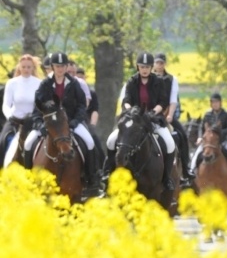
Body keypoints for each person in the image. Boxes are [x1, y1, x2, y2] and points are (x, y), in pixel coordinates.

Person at [24, 51, 103, 196]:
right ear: (52, 67)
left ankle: (92, 181)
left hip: (71, 122)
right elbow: (37, 106)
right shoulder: (45, 84)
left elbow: (81, 105)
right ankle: (28, 181)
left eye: (62, 66)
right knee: (29, 143)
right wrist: (39, 124)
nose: (60, 69)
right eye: (57, 66)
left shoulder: (74, 83)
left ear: (66, 67)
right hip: (49, 123)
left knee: (90, 142)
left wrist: (74, 122)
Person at [105, 52, 176, 192]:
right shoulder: (132, 81)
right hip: (134, 120)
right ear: (138, 67)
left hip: (153, 119)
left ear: (151, 68)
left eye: (148, 67)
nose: (145, 69)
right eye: (142, 66)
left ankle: (166, 178)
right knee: (111, 141)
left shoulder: (159, 81)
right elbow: (126, 100)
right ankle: (107, 174)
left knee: (169, 143)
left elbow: (163, 101)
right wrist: (131, 112)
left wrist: (152, 112)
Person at [153, 53, 192, 188]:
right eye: (157, 63)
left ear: (164, 64)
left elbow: (173, 100)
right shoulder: (148, 78)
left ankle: (186, 169)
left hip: (167, 114)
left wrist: (169, 115)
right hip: (151, 115)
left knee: (182, 135)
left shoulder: (171, 79)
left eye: (161, 63)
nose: (159, 65)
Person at [189, 92, 227, 179]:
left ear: (220, 103)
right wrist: (200, 137)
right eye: (213, 102)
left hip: (223, 140)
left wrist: (219, 133)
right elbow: (201, 127)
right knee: (197, 153)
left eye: (217, 102)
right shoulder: (207, 114)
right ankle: (191, 171)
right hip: (208, 141)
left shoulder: (226, 113)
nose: (215, 104)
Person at [1, 55, 41, 166]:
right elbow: (6, 105)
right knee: (2, 142)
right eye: (23, 67)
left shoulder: (39, 83)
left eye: (29, 67)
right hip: (15, 120)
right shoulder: (12, 83)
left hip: (33, 122)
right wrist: (10, 117)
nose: (26, 69)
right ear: (19, 67)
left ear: (33, 68)